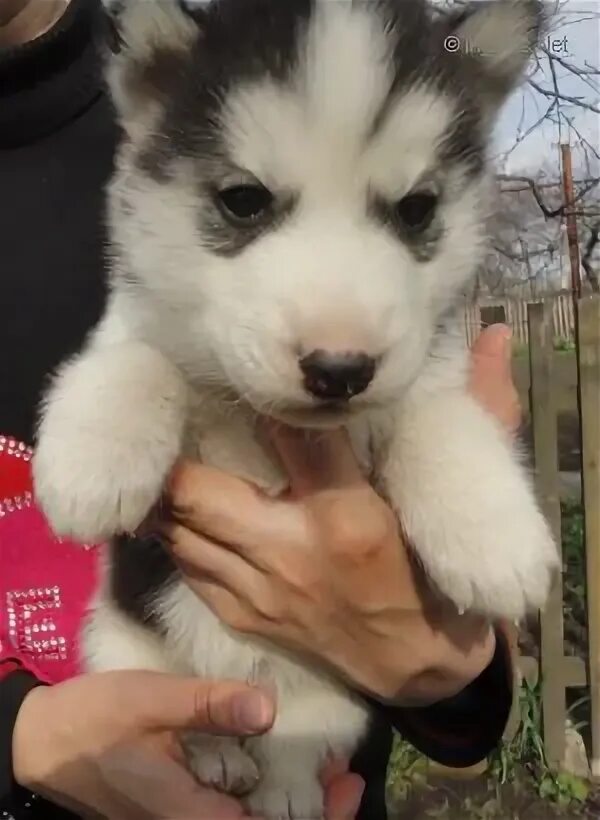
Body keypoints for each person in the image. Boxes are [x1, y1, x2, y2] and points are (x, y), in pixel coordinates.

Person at [0, 0, 519, 817]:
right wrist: (18, 738)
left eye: (412, 211)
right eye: (245, 199)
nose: (340, 339)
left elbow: (468, 691)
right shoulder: (181, 84)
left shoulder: (189, 54)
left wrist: (453, 667)